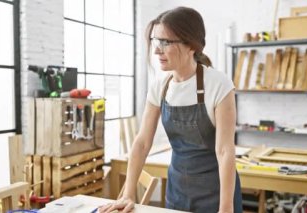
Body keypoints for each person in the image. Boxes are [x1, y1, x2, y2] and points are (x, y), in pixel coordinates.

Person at [99, 6, 242, 213]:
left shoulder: (218, 84)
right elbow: (141, 143)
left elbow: (225, 151)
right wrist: (128, 193)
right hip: (178, 192)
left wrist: (226, 207)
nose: (157, 50)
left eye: (165, 42)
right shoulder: (161, 85)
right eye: (156, 41)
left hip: (217, 194)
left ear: (190, 45)